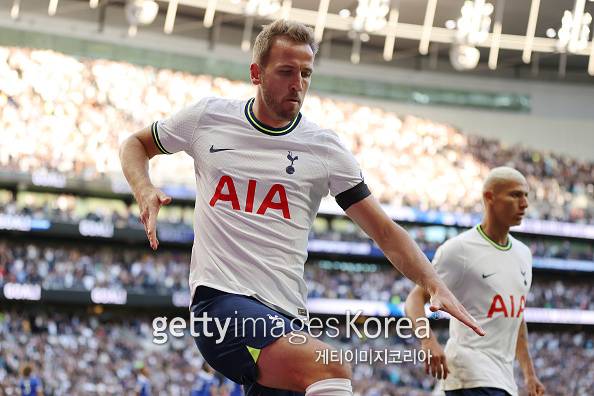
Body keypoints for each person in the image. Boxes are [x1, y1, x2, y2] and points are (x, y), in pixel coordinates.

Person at [119, 19, 483, 396]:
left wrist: (433, 284)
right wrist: (143, 187)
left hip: (289, 315)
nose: (298, 84)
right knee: (330, 365)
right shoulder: (208, 118)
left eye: (306, 73)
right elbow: (135, 144)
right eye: (286, 72)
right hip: (220, 303)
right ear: (256, 73)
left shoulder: (324, 149)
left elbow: (385, 232)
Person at [406, 167, 546, 396]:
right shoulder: (459, 250)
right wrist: (427, 341)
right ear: (489, 197)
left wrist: (529, 374)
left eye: (526, 196)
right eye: (515, 195)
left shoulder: (524, 254)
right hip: (471, 372)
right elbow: (414, 299)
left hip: (503, 379)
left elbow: (516, 317)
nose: (524, 204)